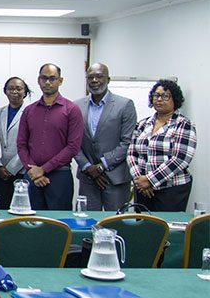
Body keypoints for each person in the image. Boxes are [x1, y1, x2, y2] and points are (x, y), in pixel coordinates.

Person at [16, 63, 83, 210]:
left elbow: (73, 147)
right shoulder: (29, 110)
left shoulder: (71, 110)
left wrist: (44, 169)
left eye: (52, 78)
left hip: (60, 176)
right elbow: (21, 145)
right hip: (32, 175)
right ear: (38, 80)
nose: (47, 82)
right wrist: (33, 170)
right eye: (44, 78)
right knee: (30, 224)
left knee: (59, 225)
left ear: (60, 81)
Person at [75, 64, 137, 211]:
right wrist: (88, 167)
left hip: (115, 178)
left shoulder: (125, 105)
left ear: (108, 79)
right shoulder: (76, 106)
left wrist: (102, 166)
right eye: (90, 77)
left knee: (116, 223)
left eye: (99, 76)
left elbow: (127, 142)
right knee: (86, 223)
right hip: (88, 178)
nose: (94, 80)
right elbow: (73, 143)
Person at [127, 80, 196, 212]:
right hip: (143, 188)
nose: (159, 99)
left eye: (165, 96)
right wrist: (140, 181)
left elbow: (181, 159)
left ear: (174, 99)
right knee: (143, 228)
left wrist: (150, 180)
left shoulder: (184, 124)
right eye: (156, 95)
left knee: (167, 229)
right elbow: (131, 153)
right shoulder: (143, 124)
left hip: (172, 188)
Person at [0, 77, 31, 209]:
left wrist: (11, 169)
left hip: (20, 172)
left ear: (25, 92)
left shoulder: (31, 112)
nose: (15, 91)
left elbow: (29, 144)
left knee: (19, 209)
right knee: (1, 208)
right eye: (11, 88)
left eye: (19, 88)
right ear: (5, 91)